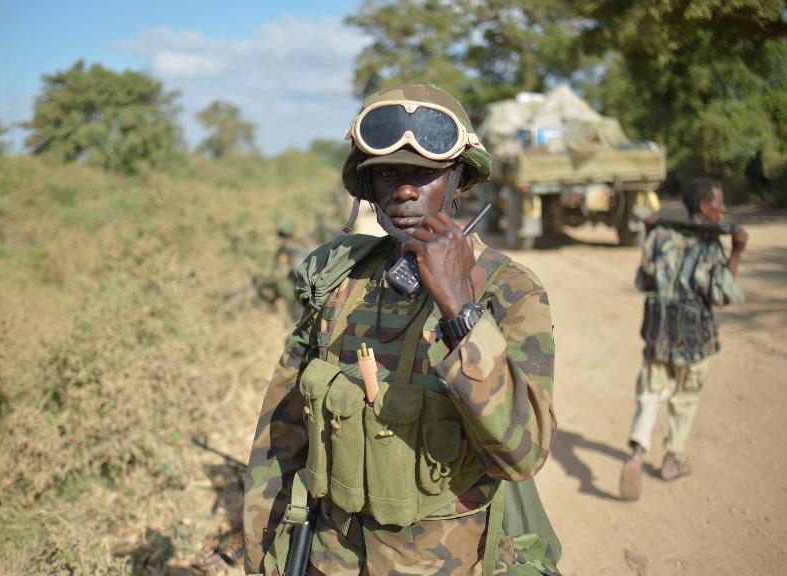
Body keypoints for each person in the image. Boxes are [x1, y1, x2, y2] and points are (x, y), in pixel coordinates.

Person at [242, 83, 559, 576]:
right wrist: (263, 555)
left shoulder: (510, 291)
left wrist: (459, 308)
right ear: (367, 187)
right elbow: (281, 436)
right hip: (329, 559)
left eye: (426, 174)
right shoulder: (339, 282)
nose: (406, 190)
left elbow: (522, 454)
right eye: (388, 173)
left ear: (458, 182)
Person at [618, 177, 749, 501]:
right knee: (685, 398)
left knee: (649, 391)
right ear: (704, 207)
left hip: (658, 329)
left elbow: (642, 279)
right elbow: (722, 294)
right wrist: (738, 252)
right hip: (693, 334)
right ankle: (672, 459)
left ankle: (636, 452)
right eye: (719, 203)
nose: (723, 209)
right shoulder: (709, 245)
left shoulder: (661, 234)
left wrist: (648, 234)